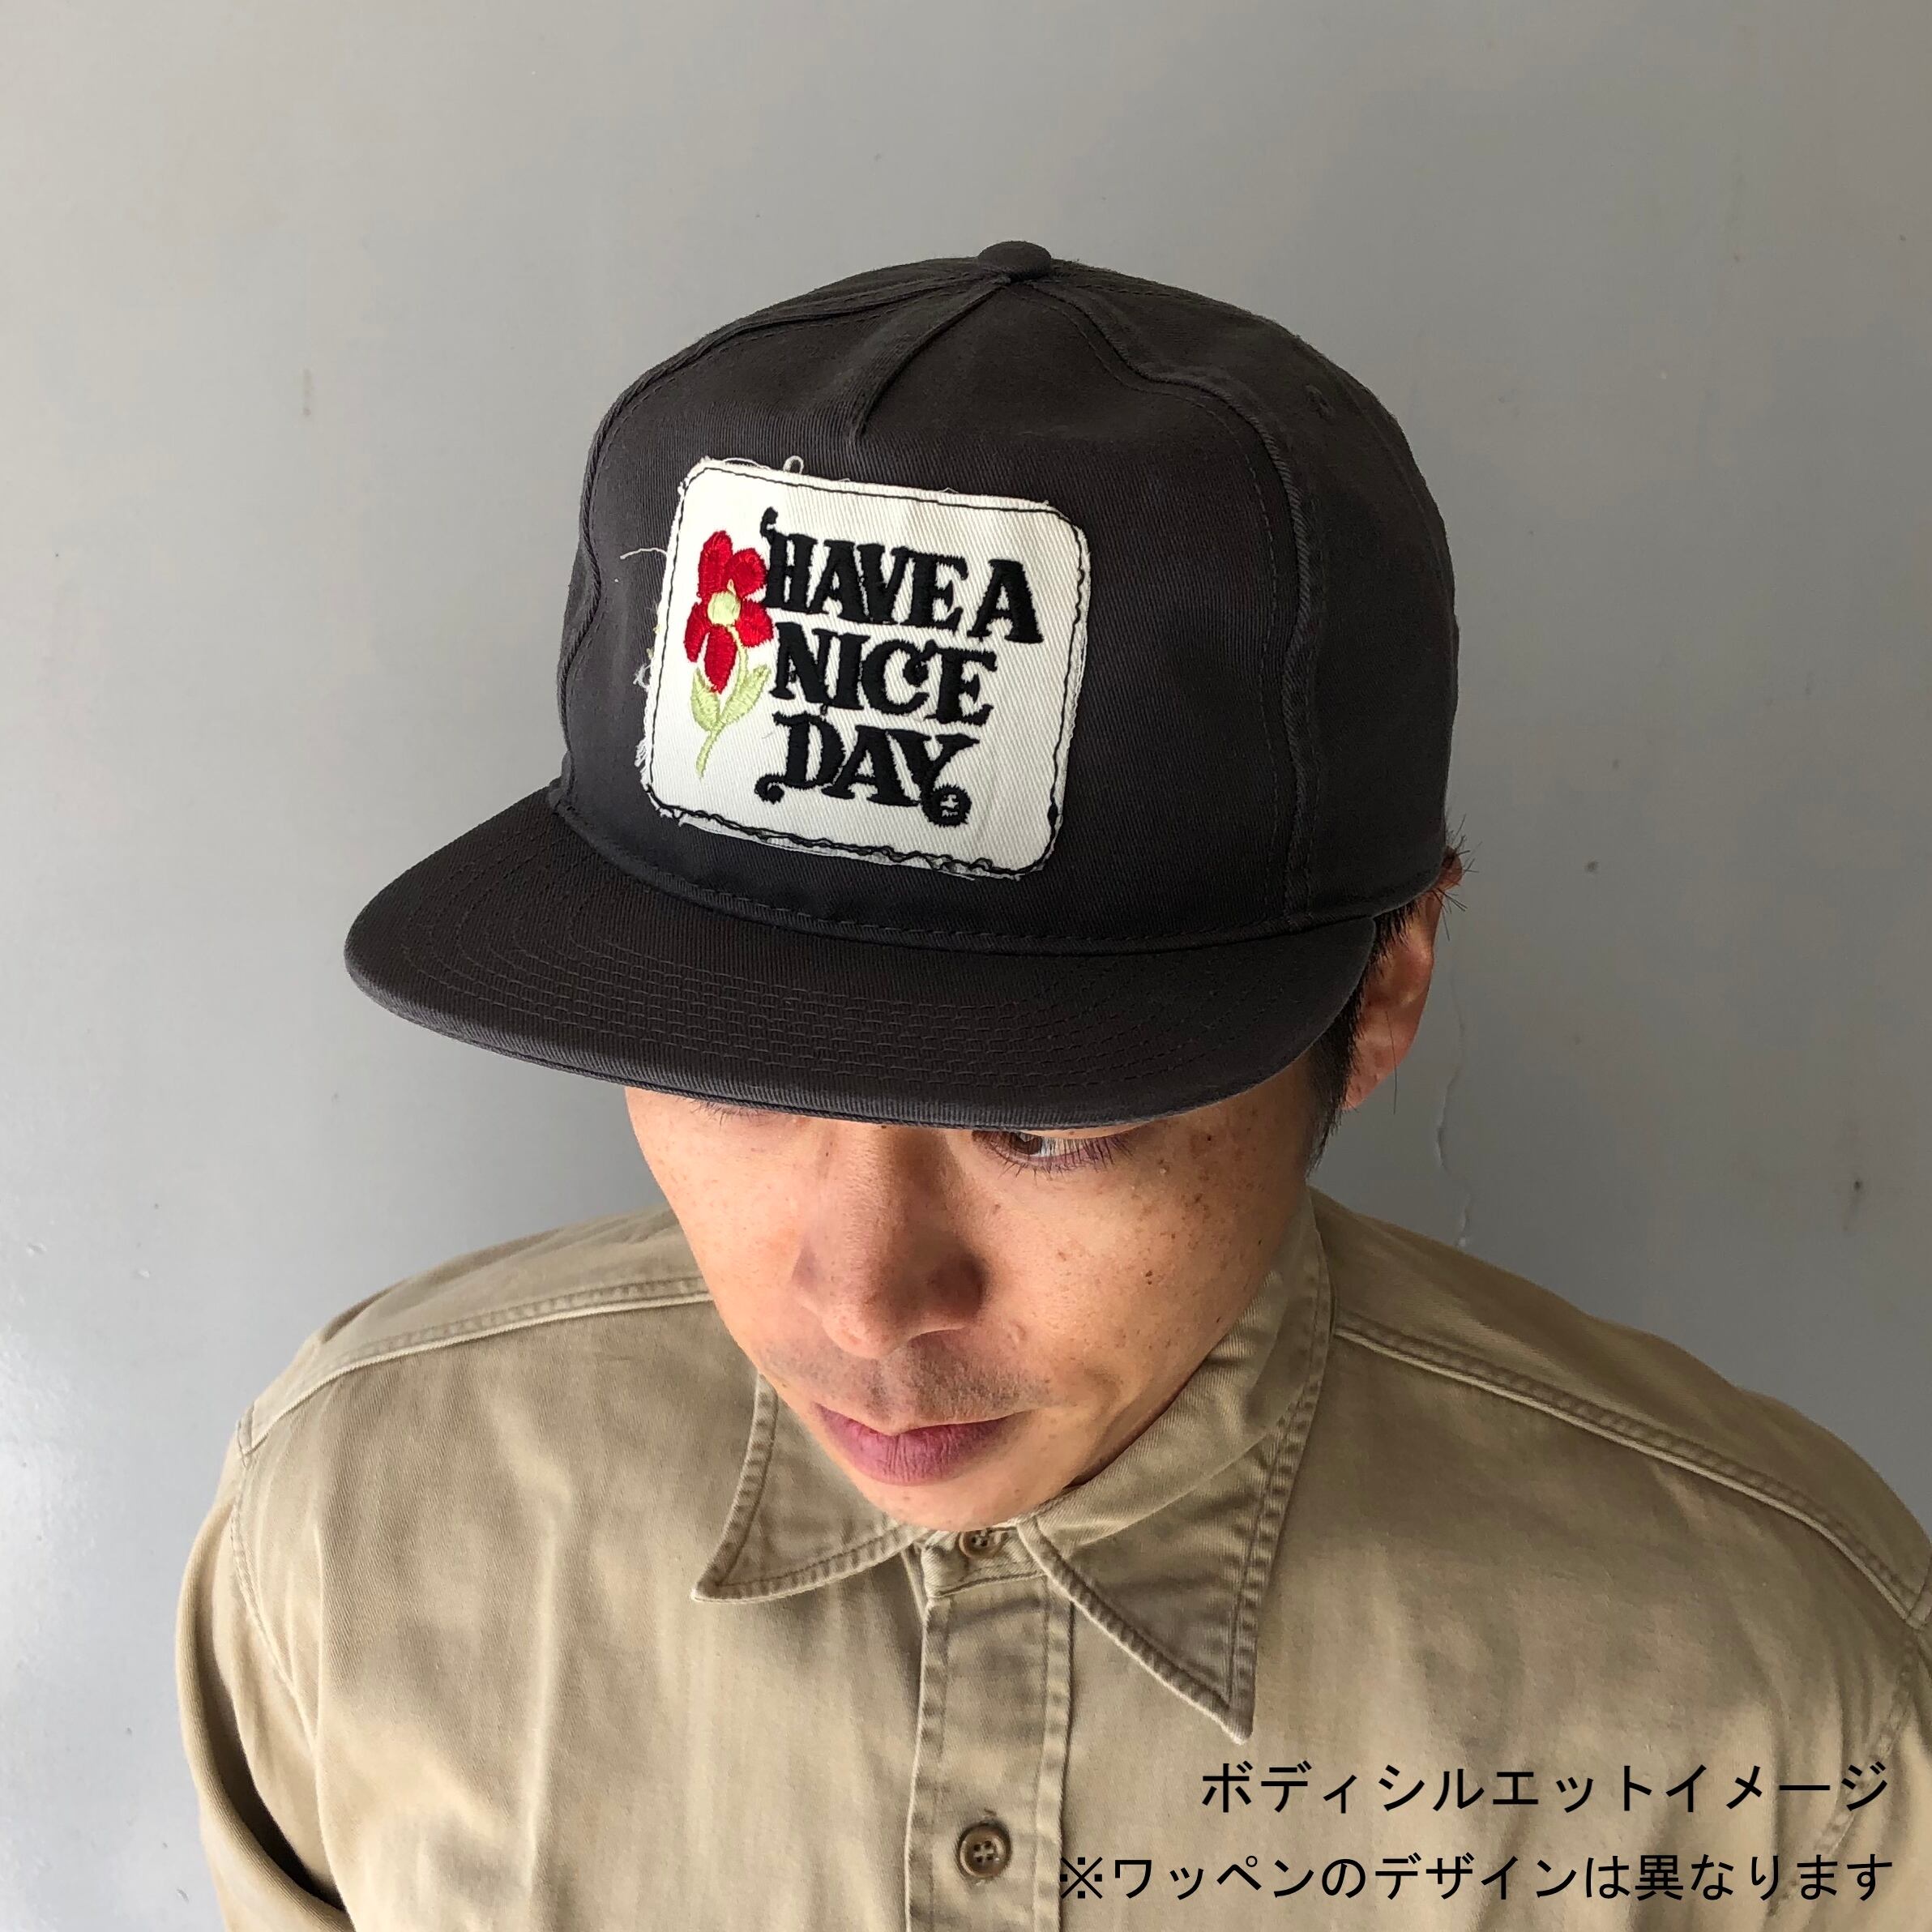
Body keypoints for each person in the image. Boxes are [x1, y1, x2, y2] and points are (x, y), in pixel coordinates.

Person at [176, 243, 1930, 1930]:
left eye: (1043, 1123)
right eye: (729, 1077)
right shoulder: (352, 1528)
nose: (863, 1299)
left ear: (1387, 984)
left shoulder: (1779, 1701)